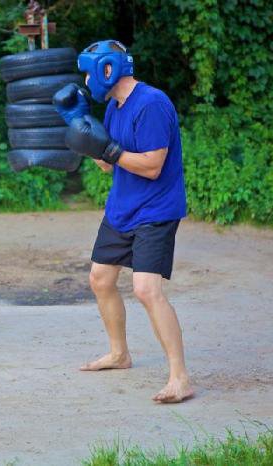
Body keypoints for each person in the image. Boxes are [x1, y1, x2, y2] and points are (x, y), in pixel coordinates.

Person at [59, 40, 193, 403]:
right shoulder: (116, 108)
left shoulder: (151, 104)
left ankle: (179, 377)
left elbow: (151, 166)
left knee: (147, 290)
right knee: (100, 279)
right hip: (122, 207)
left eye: (89, 72)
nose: (86, 81)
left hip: (156, 210)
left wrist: (110, 150)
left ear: (107, 69)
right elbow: (107, 163)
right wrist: (81, 128)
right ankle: (120, 354)